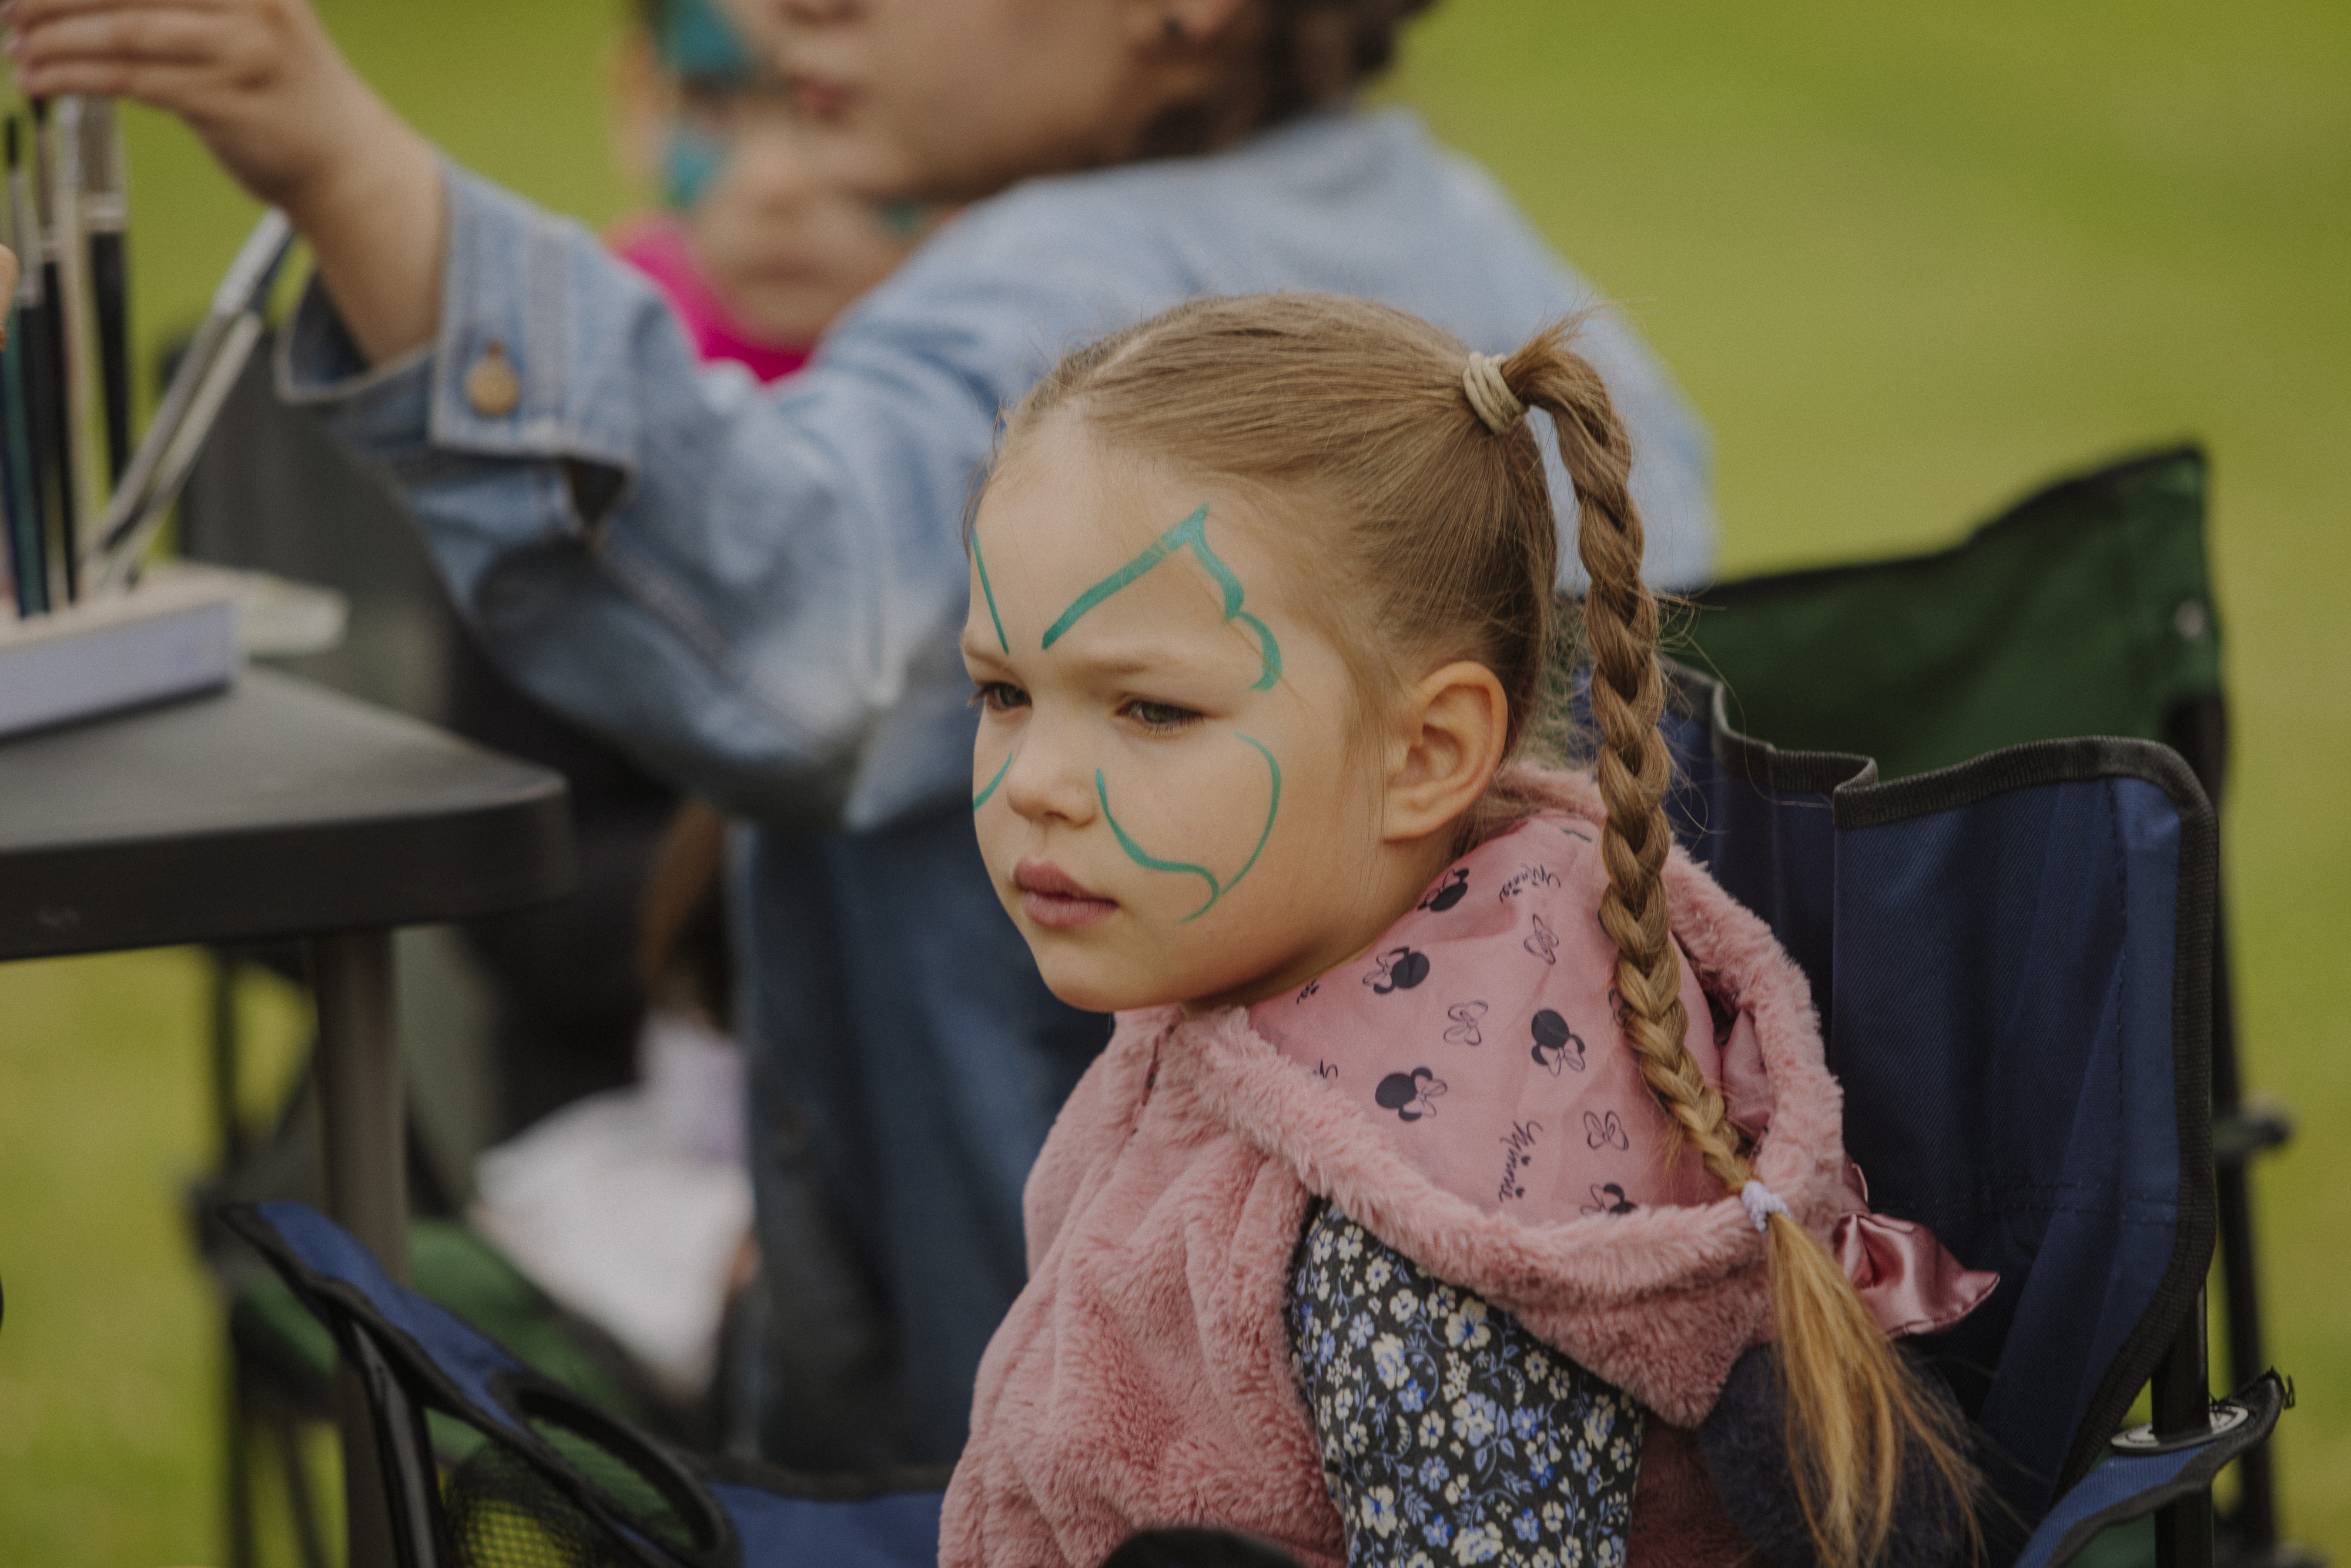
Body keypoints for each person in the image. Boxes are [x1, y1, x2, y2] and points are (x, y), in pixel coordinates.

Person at [5, 0, 1719, 1467]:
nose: (787, 9)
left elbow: (783, 616)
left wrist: (343, 167)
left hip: (1009, 1442)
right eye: (995, 690)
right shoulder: (1481, 254)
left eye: (1146, 707)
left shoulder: (1062, 298)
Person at [942, 293, 1992, 1567]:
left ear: (1427, 754)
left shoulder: (1421, 1249)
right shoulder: (1267, 958)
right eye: (1001, 692)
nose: (1037, 782)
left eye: (1152, 710)